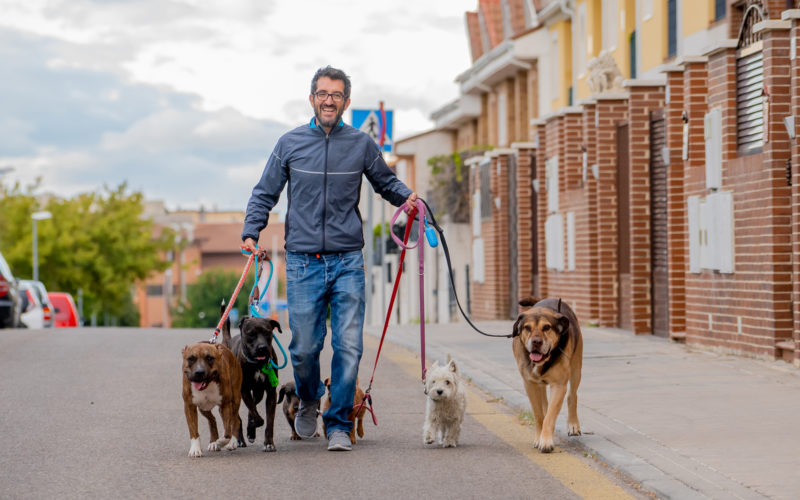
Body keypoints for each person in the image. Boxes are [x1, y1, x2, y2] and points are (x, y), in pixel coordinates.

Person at [241, 66, 417, 451]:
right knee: (304, 346)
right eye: (322, 93)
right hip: (303, 261)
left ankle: (338, 423)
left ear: (346, 102)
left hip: (347, 261)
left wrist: (409, 199)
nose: (329, 100)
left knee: (349, 345)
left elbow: (386, 182)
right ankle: (307, 399)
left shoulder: (361, 144)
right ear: (312, 99)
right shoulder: (289, 144)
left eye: (336, 95)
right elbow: (265, 192)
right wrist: (252, 231)